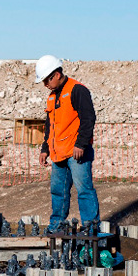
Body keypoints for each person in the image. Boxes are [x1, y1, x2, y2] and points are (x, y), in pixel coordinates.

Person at [35, 55, 100, 233]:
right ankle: (57, 224)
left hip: (77, 152)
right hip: (58, 153)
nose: (45, 85)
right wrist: (45, 149)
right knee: (58, 191)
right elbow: (50, 127)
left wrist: (81, 144)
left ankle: (90, 227)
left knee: (84, 190)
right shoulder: (51, 97)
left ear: (56, 74)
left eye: (46, 80)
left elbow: (88, 119)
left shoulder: (77, 90)